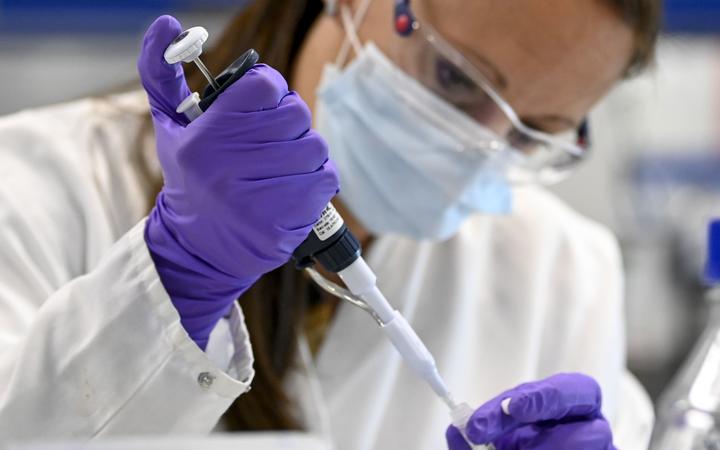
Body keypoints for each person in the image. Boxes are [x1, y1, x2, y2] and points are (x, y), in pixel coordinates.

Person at [0, 0, 660, 449]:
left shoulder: (563, 272)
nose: (471, 147)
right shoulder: (35, 186)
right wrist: (177, 279)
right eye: (456, 77)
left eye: (530, 134)